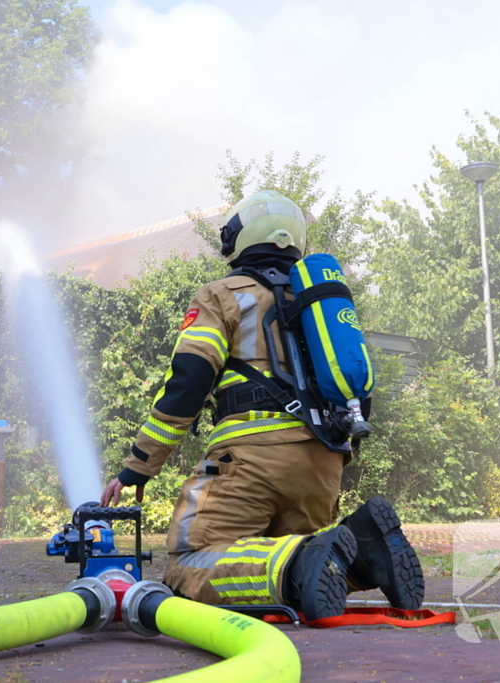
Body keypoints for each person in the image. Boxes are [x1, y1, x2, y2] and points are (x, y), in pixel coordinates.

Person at [101, 189, 424, 620]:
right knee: (302, 572)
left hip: (250, 460)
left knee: (190, 564)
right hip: (324, 467)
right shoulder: (321, 303)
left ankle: (302, 562)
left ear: (241, 236)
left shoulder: (221, 295)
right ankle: (365, 546)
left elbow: (187, 385)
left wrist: (138, 466)